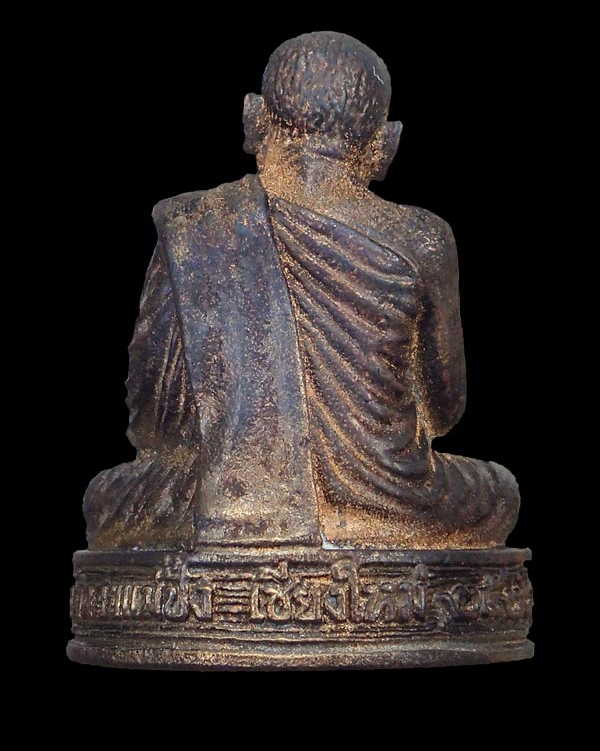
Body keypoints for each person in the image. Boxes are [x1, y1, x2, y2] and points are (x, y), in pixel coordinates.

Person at [84, 31, 519, 551]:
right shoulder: (423, 239)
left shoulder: (196, 226)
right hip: (392, 494)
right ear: (386, 143)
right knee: (498, 492)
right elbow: (445, 409)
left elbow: (151, 421)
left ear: (253, 118)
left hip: (216, 496)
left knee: (107, 498)